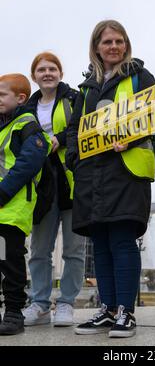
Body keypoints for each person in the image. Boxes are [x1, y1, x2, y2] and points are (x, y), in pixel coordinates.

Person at [66, 19, 155, 338]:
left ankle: (126, 311)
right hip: (91, 174)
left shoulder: (141, 76)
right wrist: (74, 160)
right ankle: (108, 309)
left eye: (119, 41)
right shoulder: (86, 86)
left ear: (126, 45)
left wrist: (132, 138)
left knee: (122, 240)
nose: (114, 47)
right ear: (96, 47)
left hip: (126, 170)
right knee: (101, 242)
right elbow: (74, 129)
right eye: (107, 42)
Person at [23, 52, 86, 327]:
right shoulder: (26, 108)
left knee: (73, 249)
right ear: (34, 76)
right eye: (41, 70)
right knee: (39, 250)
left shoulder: (74, 98)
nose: (47, 73)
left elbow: (84, 128)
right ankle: (39, 303)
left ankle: (66, 303)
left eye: (52, 69)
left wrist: (59, 139)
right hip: (42, 187)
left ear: (60, 73)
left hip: (71, 183)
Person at [0, 74, 49, 335]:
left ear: (20, 98)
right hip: (2, 209)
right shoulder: (3, 126)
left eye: (1, 95)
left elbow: (29, 162)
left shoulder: (26, 124)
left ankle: (14, 314)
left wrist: (3, 193)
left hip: (11, 208)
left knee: (10, 263)